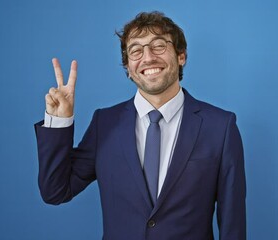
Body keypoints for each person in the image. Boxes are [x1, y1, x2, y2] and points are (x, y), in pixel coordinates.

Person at [34, 11, 246, 240]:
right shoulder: (104, 124)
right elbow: (55, 191)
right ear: (128, 67)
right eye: (136, 50)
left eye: (158, 46)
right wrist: (59, 122)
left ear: (181, 55)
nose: (148, 57)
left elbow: (232, 223)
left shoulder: (220, 127)